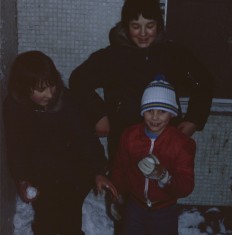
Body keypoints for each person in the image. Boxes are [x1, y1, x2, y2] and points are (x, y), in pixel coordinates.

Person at [69, 0, 213, 163]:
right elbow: (78, 80)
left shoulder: (174, 55)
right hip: (123, 141)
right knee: (125, 185)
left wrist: (194, 119)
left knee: (163, 183)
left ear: (158, 25)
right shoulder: (111, 57)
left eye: (150, 26)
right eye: (136, 26)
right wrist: (99, 115)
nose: (143, 33)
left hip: (165, 141)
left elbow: (204, 81)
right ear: (125, 26)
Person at [3, 50, 117, 235]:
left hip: (73, 170)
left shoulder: (66, 102)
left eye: (52, 85)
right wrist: (22, 178)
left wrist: (97, 170)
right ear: (24, 89)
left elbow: (85, 138)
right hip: (41, 173)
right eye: (41, 90)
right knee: (45, 220)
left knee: (68, 220)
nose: (49, 94)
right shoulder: (14, 107)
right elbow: (15, 146)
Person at [110, 78, 196, 235]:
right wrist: (117, 196)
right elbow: (120, 168)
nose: (155, 117)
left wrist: (164, 176)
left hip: (164, 210)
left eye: (162, 111)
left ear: (171, 113)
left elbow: (186, 186)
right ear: (143, 111)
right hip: (134, 207)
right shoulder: (130, 136)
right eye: (150, 111)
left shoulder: (182, 143)